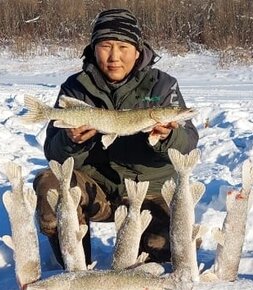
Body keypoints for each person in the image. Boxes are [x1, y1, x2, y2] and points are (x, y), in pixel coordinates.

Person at [33, 8, 199, 267]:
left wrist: (168, 138)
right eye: (105, 45)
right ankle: (76, 268)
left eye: (123, 46)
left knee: (163, 251)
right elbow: (54, 154)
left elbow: (188, 145)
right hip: (96, 189)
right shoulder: (76, 87)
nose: (114, 56)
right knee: (51, 182)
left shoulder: (163, 86)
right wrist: (72, 141)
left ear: (138, 50)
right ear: (93, 47)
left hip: (148, 192)